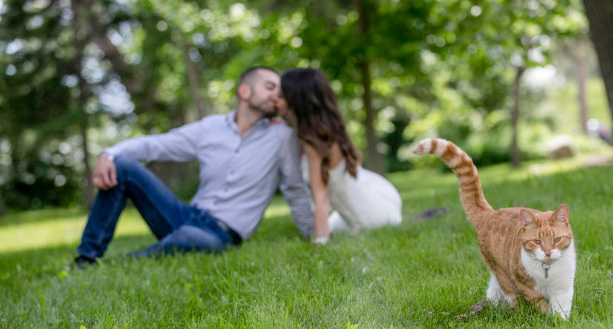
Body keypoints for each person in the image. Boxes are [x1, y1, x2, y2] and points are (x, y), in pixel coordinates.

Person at [74, 67, 314, 267]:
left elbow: (295, 189)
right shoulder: (211, 127)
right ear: (245, 91)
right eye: (270, 87)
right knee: (122, 164)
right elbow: (157, 144)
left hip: (220, 233)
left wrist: (314, 236)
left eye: (280, 92)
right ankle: (86, 258)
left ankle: (119, 265)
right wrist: (109, 154)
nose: (277, 96)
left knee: (189, 238)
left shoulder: (282, 136)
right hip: (186, 215)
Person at [277, 67, 402, 244]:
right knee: (336, 223)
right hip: (380, 195)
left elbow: (321, 198)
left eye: (281, 97)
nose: (275, 101)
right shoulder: (328, 131)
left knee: (336, 228)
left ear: (296, 101)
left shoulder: (312, 143)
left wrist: (320, 242)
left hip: (372, 217)